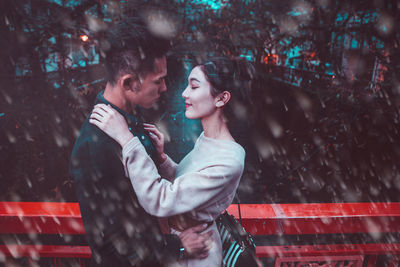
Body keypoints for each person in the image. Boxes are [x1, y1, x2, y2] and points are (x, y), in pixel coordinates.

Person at [70, 18, 211, 267]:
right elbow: (110, 242)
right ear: (128, 83)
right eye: (158, 81)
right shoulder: (95, 145)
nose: (166, 88)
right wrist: (177, 246)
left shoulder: (131, 115)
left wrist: (158, 158)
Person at [89, 57, 251, 266]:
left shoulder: (230, 160)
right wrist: (163, 159)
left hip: (198, 252)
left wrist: (127, 140)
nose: (184, 93)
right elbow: (187, 186)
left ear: (221, 99)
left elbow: (162, 200)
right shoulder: (209, 140)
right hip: (182, 241)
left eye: (193, 86)